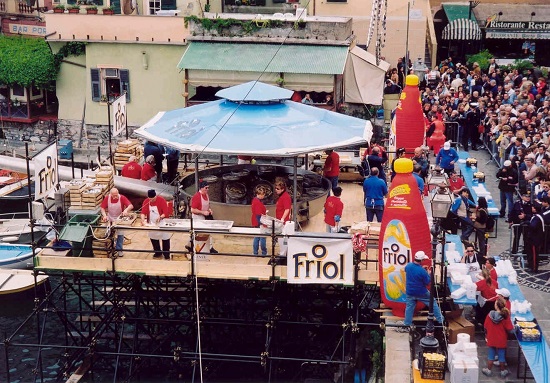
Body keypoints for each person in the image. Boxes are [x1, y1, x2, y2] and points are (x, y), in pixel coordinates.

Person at [402, 251, 444, 330]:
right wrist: (428, 273)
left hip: (410, 291)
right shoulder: (422, 271)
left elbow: (408, 270)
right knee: (433, 302)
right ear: (421, 260)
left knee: (409, 307)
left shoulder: (408, 266)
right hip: (421, 292)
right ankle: (440, 320)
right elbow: (427, 282)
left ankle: (407, 324)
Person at [481, 298, 513, 378]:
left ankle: (488, 370)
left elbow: (485, 326)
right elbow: (509, 329)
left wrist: (486, 335)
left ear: (496, 306)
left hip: (491, 337)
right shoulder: (506, 316)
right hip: (501, 339)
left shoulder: (490, 315)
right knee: (501, 356)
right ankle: (503, 371)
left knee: (491, 355)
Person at [100, 188, 133, 257]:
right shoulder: (107, 198)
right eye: (113, 195)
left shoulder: (122, 198)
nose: (115, 197)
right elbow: (102, 208)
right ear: (110, 194)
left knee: (120, 234)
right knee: (107, 233)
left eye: (116, 195)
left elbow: (130, 206)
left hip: (119, 219)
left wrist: (126, 210)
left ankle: (119, 249)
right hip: (110, 218)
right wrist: (104, 215)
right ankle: (109, 249)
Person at [140, 189, 172, 260]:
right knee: (153, 237)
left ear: (155, 196)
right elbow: (143, 212)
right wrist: (142, 220)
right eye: (150, 199)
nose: (151, 200)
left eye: (153, 199)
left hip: (162, 222)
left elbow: (166, 212)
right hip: (152, 223)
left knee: (165, 238)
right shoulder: (146, 201)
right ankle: (158, 252)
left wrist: (160, 217)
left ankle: (166, 254)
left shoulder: (161, 200)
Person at [189, 180, 218, 254]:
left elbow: (207, 205)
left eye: (208, 188)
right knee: (197, 234)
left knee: (206, 232)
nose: (207, 189)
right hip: (197, 218)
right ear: (201, 188)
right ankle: (192, 246)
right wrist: (203, 212)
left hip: (205, 217)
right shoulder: (197, 197)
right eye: (206, 188)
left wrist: (209, 210)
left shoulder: (206, 195)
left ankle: (209, 247)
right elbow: (192, 209)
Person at [275, 180, 292, 256]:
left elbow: (287, 209)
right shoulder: (282, 196)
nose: (276, 190)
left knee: (282, 238)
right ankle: (283, 252)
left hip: (283, 222)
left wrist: (282, 219)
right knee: (280, 238)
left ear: (282, 189)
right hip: (280, 220)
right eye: (275, 188)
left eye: (278, 189)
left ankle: (283, 253)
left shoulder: (285, 197)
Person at [251, 188, 267, 256]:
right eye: (263, 195)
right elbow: (258, 215)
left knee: (256, 237)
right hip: (259, 222)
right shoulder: (258, 202)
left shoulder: (255, 200)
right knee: (262, 237)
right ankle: (264, 253)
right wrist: (261, 223)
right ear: (260, 194)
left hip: (255, 221)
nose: (264, 196)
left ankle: (255, 252)